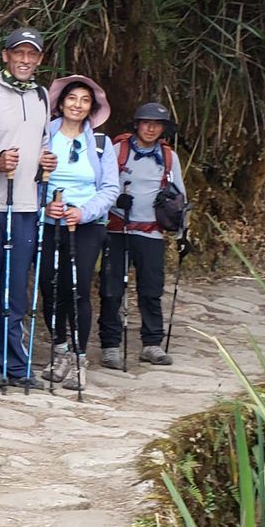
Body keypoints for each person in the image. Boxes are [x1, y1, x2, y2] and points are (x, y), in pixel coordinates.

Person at [0, 27, 50, 388]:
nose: (24, 60)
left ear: (39, 60)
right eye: (18, 53)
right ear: (5, 55)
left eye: (31, 54)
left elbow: (43, 144)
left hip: (25, 206)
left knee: (16, 288)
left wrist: (45, 164)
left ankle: (16, 364)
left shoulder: (42, 96)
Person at [38, 75, 116, 390]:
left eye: (85, 100)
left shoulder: (100, 144)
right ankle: (59, 350)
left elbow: (110, 188)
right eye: (72, 98)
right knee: (49, 287)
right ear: (60, 102)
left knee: (78, 288)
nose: (77, 104)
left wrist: (85, 212)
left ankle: (79, 357)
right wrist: (46, 205)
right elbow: (32, 177)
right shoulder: (44, 137)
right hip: (49, 222)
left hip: (86, 225)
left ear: (91, 108)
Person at [100, 102, 190, 369]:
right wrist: (117, 200)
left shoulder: (169, 157)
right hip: (117, 229)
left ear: (163, 129)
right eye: (146, 122)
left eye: (157, 124)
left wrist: (183, 233)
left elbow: (178, 196)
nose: (150, 128)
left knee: (151, 289)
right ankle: (110, 345)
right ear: (136, 124)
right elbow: (100, 186)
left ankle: (151, 343)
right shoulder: (118, 151)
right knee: (111, 289)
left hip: (152, 233)